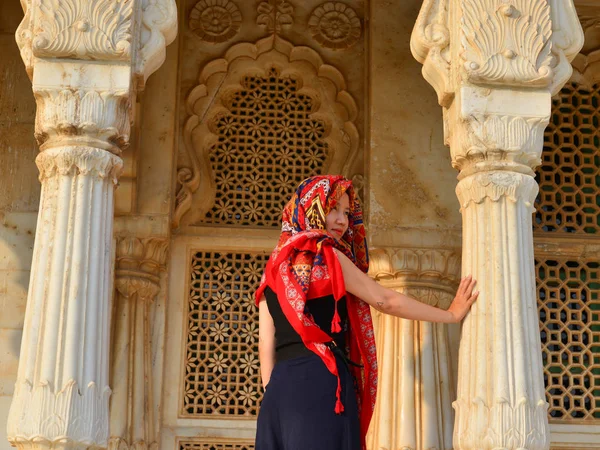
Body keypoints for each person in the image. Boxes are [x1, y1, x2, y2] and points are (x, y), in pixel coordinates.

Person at [254, 175, 478, 450]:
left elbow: (266, 342)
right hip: (321, 381)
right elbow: (384, 300)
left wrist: (274, 392)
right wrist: (451, 314)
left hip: (279, 390)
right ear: (312, 208)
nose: (341, 220)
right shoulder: (328, 256)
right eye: (333, 209)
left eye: (346, 212)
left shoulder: (274, 267)